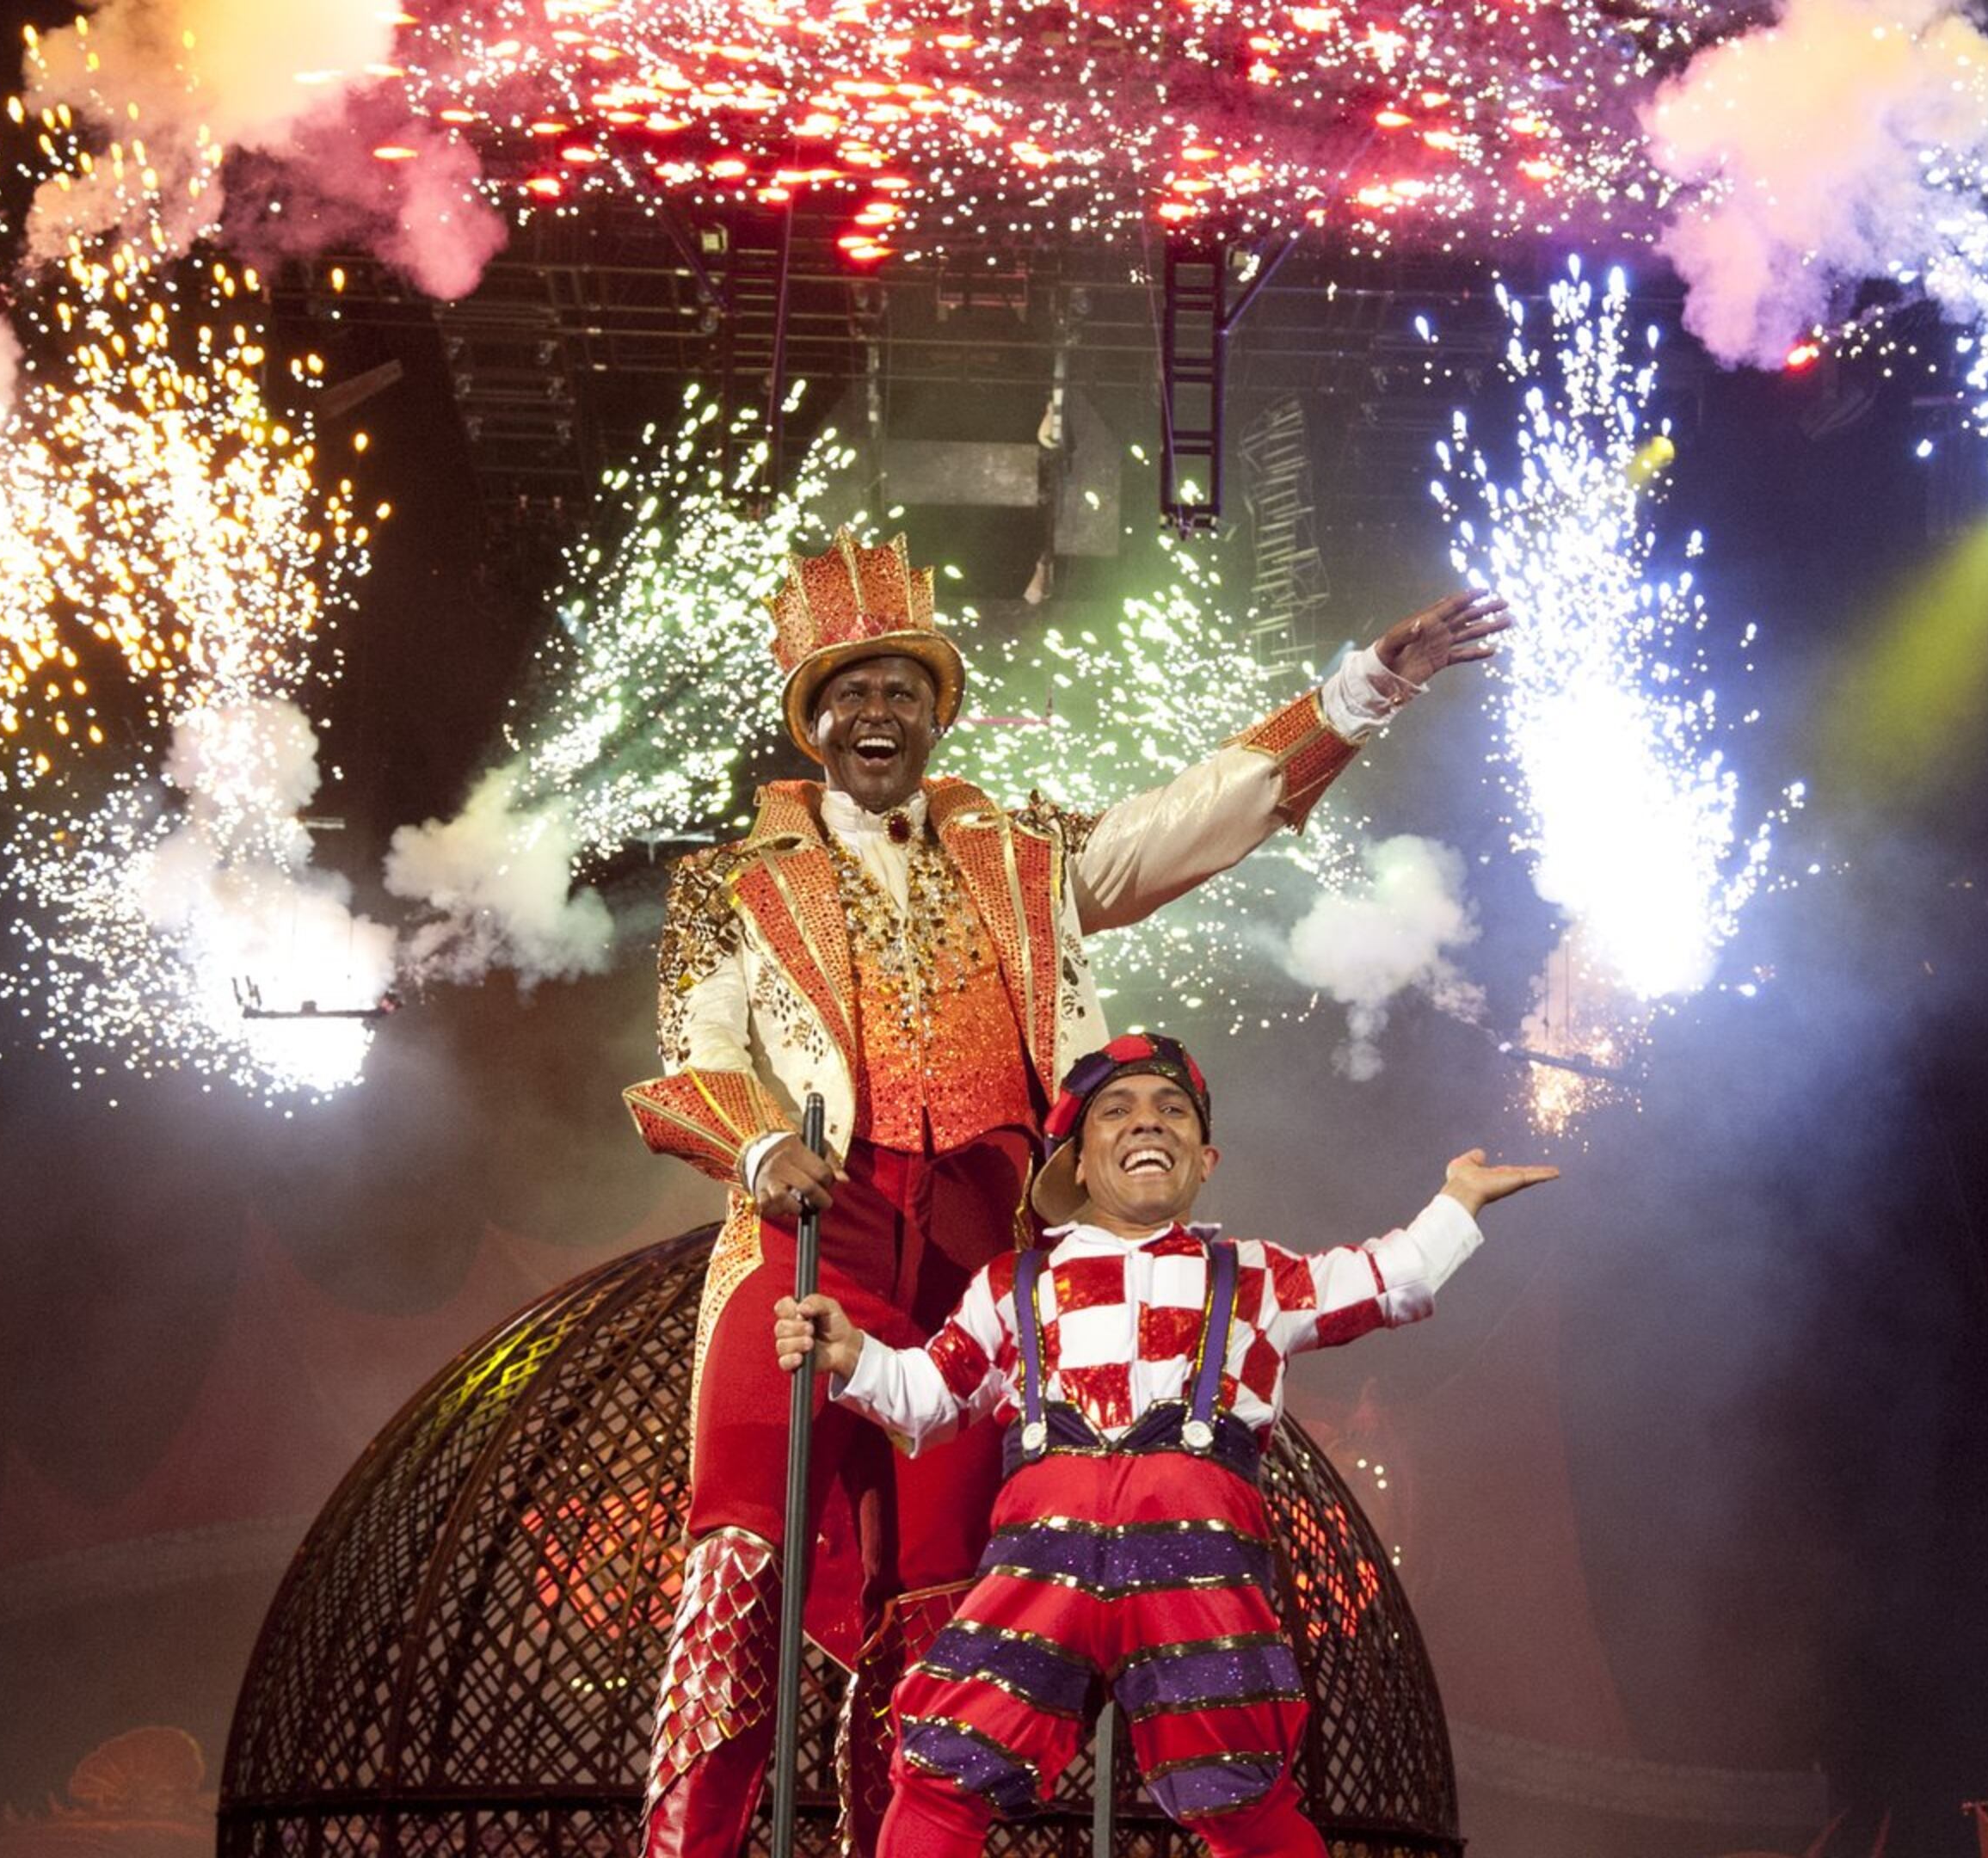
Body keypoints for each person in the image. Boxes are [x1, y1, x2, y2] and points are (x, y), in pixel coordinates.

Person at [622, 531, 1510, 1858]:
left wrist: (1359, 691)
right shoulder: (727, 886)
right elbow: (690, 1066)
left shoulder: (1025, 857)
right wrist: (759, 1150)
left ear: (937, 714)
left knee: (939, 1607)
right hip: (811, 1241)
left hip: (985, 1264)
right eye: (850, 692)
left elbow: (1195, 816)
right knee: (738, 1568)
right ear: (813, 723)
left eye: (902, 688)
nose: (878, 711)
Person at [773, 1033, 1557, 1858]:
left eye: (1172, 1110)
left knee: (1242, 1795)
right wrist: (851, 1355)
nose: (1148, 1122)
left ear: (1205, 1160)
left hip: (1198, 1568)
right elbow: (931, 1395)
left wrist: (1458, 1201)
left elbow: (1389, 1277)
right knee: (941, 1768)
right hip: (1043, 1566)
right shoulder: (1012, 1283)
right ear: (1077, 1164)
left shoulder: (1256, 1277)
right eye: (1117, 1110)